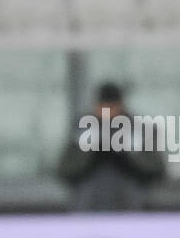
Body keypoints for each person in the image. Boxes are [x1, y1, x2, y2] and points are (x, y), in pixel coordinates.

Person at [57, 82, 167, 211]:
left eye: (111, 106)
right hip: (88, 205)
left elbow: (156, 169)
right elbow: (66, 170)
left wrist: (127, 157)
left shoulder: (139, 129)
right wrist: (92, 155)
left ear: (121, 106)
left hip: (132, 205)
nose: (107, 112)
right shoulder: (83, 129)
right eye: (103, 106)